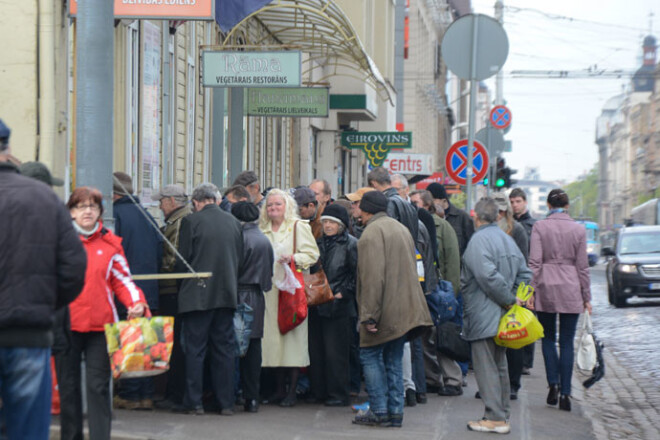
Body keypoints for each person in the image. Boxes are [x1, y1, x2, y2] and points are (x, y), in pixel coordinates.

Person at [0, 121, 87, 440]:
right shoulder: (44, 198)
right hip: (29, 334)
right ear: (7, 149)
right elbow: (74, 268)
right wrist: (43, 303)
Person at [60, 186, 147, 440]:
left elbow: (123, 281)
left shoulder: (110, 244)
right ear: (71, 212)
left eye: (92, 206)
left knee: (98, 388)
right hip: (67, 325)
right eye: (80, 206)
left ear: (100, 212)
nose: (87, 211)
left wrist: (136, 302)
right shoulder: (60, 242)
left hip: (101, 327)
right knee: (68, 388)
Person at [353, 191, 433, 428]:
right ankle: (395, 411)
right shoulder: (401, 229)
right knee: (394, 359)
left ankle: (379, 410)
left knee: (370, 355)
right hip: (405, 308)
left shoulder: (370, 234)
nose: (355, 211)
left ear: (367, 209)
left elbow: (373, 278)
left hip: (384, 309)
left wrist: (369, 316)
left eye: (358, 206)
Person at [462, 197, 531, 434]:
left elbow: (487, 276)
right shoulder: (507, 239)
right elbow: (525, 273)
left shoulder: (478, 240)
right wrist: (515, 299)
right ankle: (501, 415)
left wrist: (511, 300)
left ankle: (494, 417)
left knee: (487, 367)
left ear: (476, 216)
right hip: (503, 314)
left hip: (484, 313)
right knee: (499, 365)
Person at [174, 183, 243, 416]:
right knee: (224, 350)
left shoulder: (191, 222)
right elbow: (239, 258)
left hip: (196, 297)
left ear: (196, 202)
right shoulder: (233, 222)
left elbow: (182, 261)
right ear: (215, 199)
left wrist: (179, 288)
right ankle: (226, 403)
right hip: (226, 295)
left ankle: (194, 402)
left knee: (195, 350)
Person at [529, 189, 592, 412]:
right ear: (567, 206)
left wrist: (529, 292)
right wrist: (587, 297)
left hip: (546, 286)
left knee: (547, 339)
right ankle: (566, 393)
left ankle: (552, 384)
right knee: (566, 342)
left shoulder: (539, 227)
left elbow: (534, 262)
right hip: (571, 287)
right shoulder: (578, 229)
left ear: (547, 205)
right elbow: (583, 267)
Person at [259, 189, 320, 407]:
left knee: (292, 340)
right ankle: (278, 389)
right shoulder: (262, 229)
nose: (273, 208)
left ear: (287, 206)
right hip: (269, 291)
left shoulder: (298, 226)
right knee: (274, 341)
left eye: (278, 204)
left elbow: (312, 254)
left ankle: (292, 391)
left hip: (291, 292)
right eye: (270, 205)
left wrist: (293, 258)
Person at [112, 171, 163, 410]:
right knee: (145, 342)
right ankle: (146, 394)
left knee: (128, 341)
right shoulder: (147, 214)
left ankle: (131, 395)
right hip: (149, 289)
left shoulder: (115, 215)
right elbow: (160, 249)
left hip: (126, 288)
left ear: (113, 193)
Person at [409, 189, 464, 396]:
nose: (412, 205)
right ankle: (432, 378)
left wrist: (450, 294)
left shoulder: (443, 226)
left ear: (427, 205)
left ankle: (453, 379)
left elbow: (452, 261)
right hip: (424, 287)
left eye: (415, 202)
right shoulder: (413, 224)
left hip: (439, 290)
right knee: (425, 338)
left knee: (442, 337)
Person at [308, 204, 358, 407]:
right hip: (317, 302)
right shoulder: (318, 244)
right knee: (316, 351)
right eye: (325, 222)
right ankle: (318, 391)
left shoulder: (351, 244)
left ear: (342, 225)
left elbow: (357, 274)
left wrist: (343, 293)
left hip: (339, 306)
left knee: (336, 353)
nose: (328, 226)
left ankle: (338, 393)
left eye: (332, 222)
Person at [231, 201, 274, 413]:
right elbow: (268, 279)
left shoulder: (237, 239)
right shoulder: (264, 240)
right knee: (253, 348)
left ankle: (231, 395)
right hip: (257, 297)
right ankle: (252, 398)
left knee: (232, 346)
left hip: (237, 294)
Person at [152, 184, 192, 410]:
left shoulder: (179, 222)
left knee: (175, 344)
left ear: (172, 202)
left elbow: (174, 258)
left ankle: (175, 393)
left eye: (162, 201)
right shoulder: (176, 221)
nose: (159, 205)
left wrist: (159, 267)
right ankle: (173, 391)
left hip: (172, 290)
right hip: (173, 290)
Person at [493, 192, 529, 402]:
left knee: (513, 340)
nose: (498, 215)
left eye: (501, 211)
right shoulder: (484, 229)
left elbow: (523, 262)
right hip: (491, 292)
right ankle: (493, 384)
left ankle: (513, 384)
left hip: (513, 292)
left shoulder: (517, 229)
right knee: (492, 341)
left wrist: (519, 293)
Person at [509, 187, 537, 375]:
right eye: (512, 202)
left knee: (526, 317)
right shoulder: (508, 224)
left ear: (525, 202)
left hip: (527, 276)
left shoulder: (533, 225)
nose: (515, 205)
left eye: (518, 201)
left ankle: (526, 361)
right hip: (512, 275)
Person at [426, 183, 474, 256]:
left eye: (433, 200)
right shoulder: (429, 217)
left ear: (444, 200)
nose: (430, 203)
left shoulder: (462, 217)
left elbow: (471, 244)